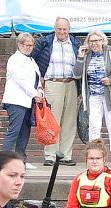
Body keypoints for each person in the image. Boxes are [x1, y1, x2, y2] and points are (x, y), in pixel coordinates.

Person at [31, 17, 81, 167]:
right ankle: (51, 156)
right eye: (59, 29)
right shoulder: (45, 42)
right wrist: (39, 82)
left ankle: (65, 155)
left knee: (69, 121)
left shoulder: (76, 43)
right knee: (52, 121)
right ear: (55, 29)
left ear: (69, 30)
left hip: (71, 83)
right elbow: (32, 61)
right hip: (53, 83)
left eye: (65, 29)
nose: (62, 32)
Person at [74, 30, 111, 168]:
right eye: (91, 41)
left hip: (109, 95)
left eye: (97, 40)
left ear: (103, 41)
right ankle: (93, 156)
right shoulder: (87, 55)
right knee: (94, 126)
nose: (94, 43)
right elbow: (77, 74)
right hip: (93, 96)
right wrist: (80, 57)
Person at [1, 32, 42, 170]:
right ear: (19, 45)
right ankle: (4, 161)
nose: (30, 48)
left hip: (28, 101)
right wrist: (34, 93)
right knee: (14, 131)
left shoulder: (31, 60)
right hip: (16, 101)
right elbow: (21, 80)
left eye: (31, 45)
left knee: (25, 131)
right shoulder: (14, 59)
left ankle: (20, 160)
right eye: (27, 45)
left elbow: (37, 77)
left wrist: (40, 90)